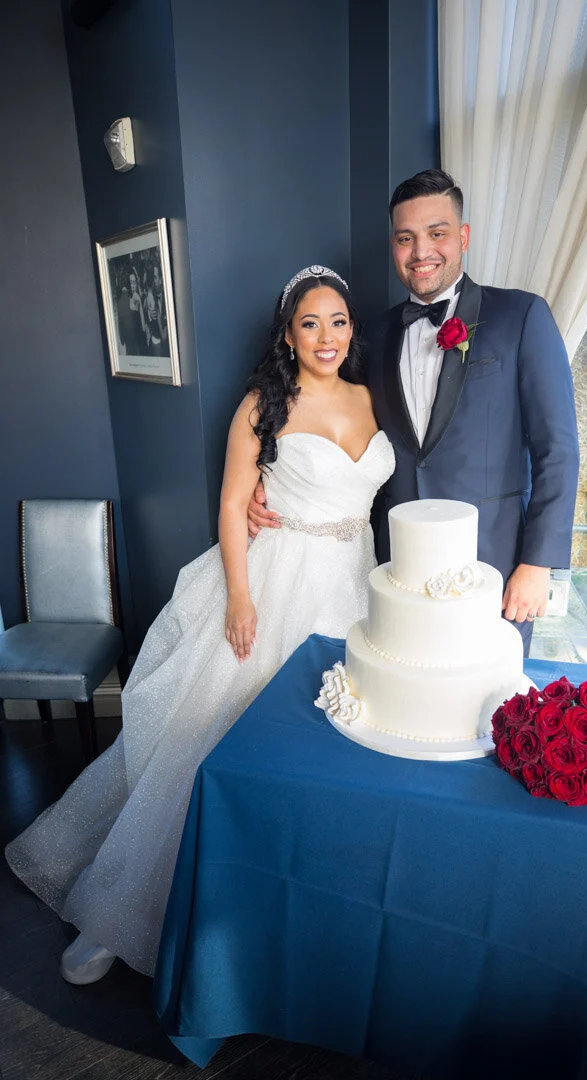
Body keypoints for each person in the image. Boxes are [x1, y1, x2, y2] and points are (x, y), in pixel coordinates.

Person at [5, 266, 395, 984]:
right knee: (211, 741)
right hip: (278, 582)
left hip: (357, 586)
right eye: (310, 323)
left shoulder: (372, 397)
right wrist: (240, 599)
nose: (326, 336)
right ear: (288, 335)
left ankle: (293, 909)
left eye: (338, 321)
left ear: (351, 330)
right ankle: (120, 909)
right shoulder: (262, 405)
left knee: (326, 756)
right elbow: (232, 505)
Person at [249, 170, 579, 654]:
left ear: (463, 237)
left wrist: (538, 563)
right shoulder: (371, 335)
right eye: (406, 238)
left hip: (492, 565)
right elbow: (332, 424)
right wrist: (269, 488)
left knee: (485, 692)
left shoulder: (523, 316)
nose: (421, 251)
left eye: (436, 233)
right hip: (392, 566)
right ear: (394, 246)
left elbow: (558, 449)